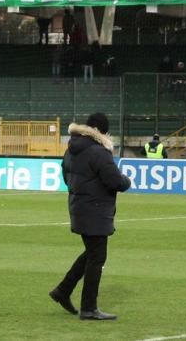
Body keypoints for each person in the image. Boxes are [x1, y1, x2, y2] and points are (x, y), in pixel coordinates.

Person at [50, 113, 131, 321]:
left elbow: (66, 177)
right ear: (101, 131)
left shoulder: (72, 149)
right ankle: (88, 308)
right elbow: (115, 181)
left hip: (79, 207)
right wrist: (127, 180)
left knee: (92, 253)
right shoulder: (99, 152)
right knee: (97, 256)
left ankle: (63, 291)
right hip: (96, 210)